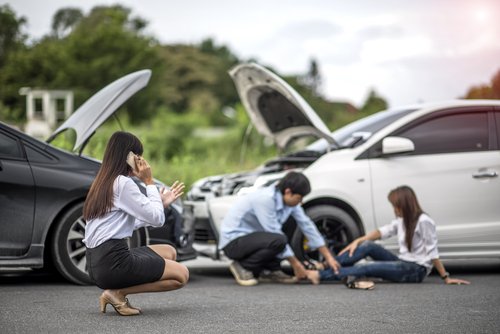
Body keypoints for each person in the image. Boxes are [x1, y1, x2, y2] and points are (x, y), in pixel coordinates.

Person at [83, 131, 189, 316]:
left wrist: (161, 203)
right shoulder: (123, 183)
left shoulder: (104, 181)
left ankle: (115, 291)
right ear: (128, 157)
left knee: (169, 251)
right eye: (137, 156)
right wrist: (149, 182)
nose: (141, 160)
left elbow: (127, 223)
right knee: (182, 275)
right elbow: (157, 220)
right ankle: (117, 293)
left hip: (97, 261)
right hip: (112, 263)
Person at [306, 185, 470, 288]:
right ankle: (325, 266)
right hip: (403, 262)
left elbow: (433, 252)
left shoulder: (424, 221)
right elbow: (382, 232)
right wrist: (358, 241)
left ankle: (320, 274)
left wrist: (446, 277)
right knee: (368, 246)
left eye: (395, 206)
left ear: (403, 205)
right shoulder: (403, 220)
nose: (394, 209)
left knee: (367, 267)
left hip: (415, 271)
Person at [219, 171, 340, 286]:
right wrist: (296, 265)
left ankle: (270, 270)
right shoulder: (264, 199)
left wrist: (329, 258)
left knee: (289, 225)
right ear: (288, 192)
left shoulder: (289, 203)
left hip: (253, 239)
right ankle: (243, 266)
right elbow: (273, 231)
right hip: (233, 242)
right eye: (299, 198)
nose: (301, 202)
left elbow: (307, 225)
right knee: (279, 239)